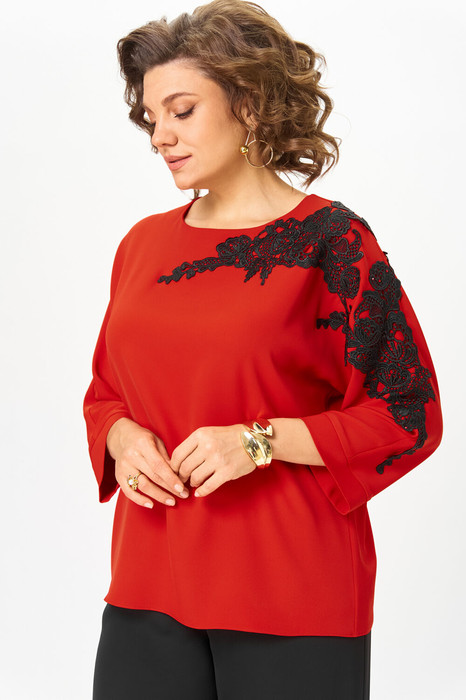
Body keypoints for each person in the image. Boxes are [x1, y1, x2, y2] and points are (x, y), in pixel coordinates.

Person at [82, 1, 443, 698]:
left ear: (248, 104)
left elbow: (409, 412)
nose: (161, 135)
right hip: (147, 583)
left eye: (182, 110)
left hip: (290, 591)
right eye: (151, 117)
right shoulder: (142, 245)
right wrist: (120, 438)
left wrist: (258, 442)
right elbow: (106, 391)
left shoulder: (333, 243)